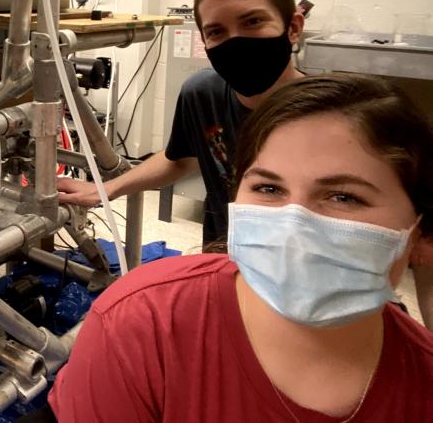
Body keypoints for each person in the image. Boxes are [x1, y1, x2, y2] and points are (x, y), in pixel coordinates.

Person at [49, 74, 433, 422]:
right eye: (268, 188)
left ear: (422, 233)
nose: (292, 224)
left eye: (343, 197)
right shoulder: (143, 324)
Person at [58, 0, 305, 246]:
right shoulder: (202, 93)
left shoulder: (326, 117)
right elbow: (181, 158)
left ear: (293, 27)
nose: (235, 41)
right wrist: (104, 189)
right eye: (216, 32)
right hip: (222, 251)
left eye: (253, 21)